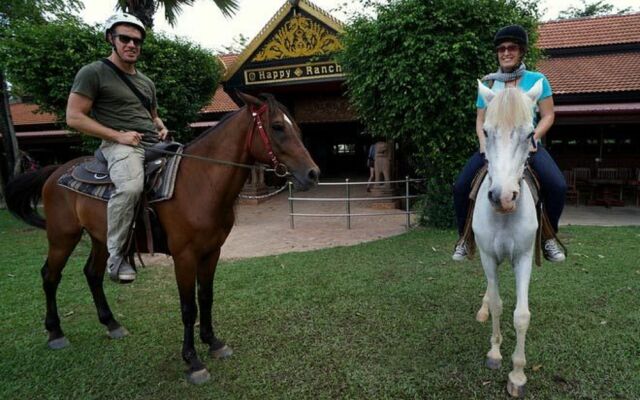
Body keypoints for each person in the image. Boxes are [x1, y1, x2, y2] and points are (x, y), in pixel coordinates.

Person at [66, 12, 169, 283]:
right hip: (120, 146)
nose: (132, 45)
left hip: (154, 143)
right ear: (111, 39)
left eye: (137, 40)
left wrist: (159, 124)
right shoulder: (93, 72)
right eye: (125, 38)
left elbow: (151, 113)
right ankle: (117, 256)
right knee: (131, 187)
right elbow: (74, 117)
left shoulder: (146, 82)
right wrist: (118, 136)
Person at [452, 24, 567, 263]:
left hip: (528, 146)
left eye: (512, 48)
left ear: (521, 51)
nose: (506, 53)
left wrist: (534, 137)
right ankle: (464, 237)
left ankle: (548, 236)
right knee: (461, 186)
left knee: (557, 186)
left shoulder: (538, 80)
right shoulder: (489, 85)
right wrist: (483, 144)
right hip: (494, 149)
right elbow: (480, 120)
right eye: (501, 49)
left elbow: (548, 115)